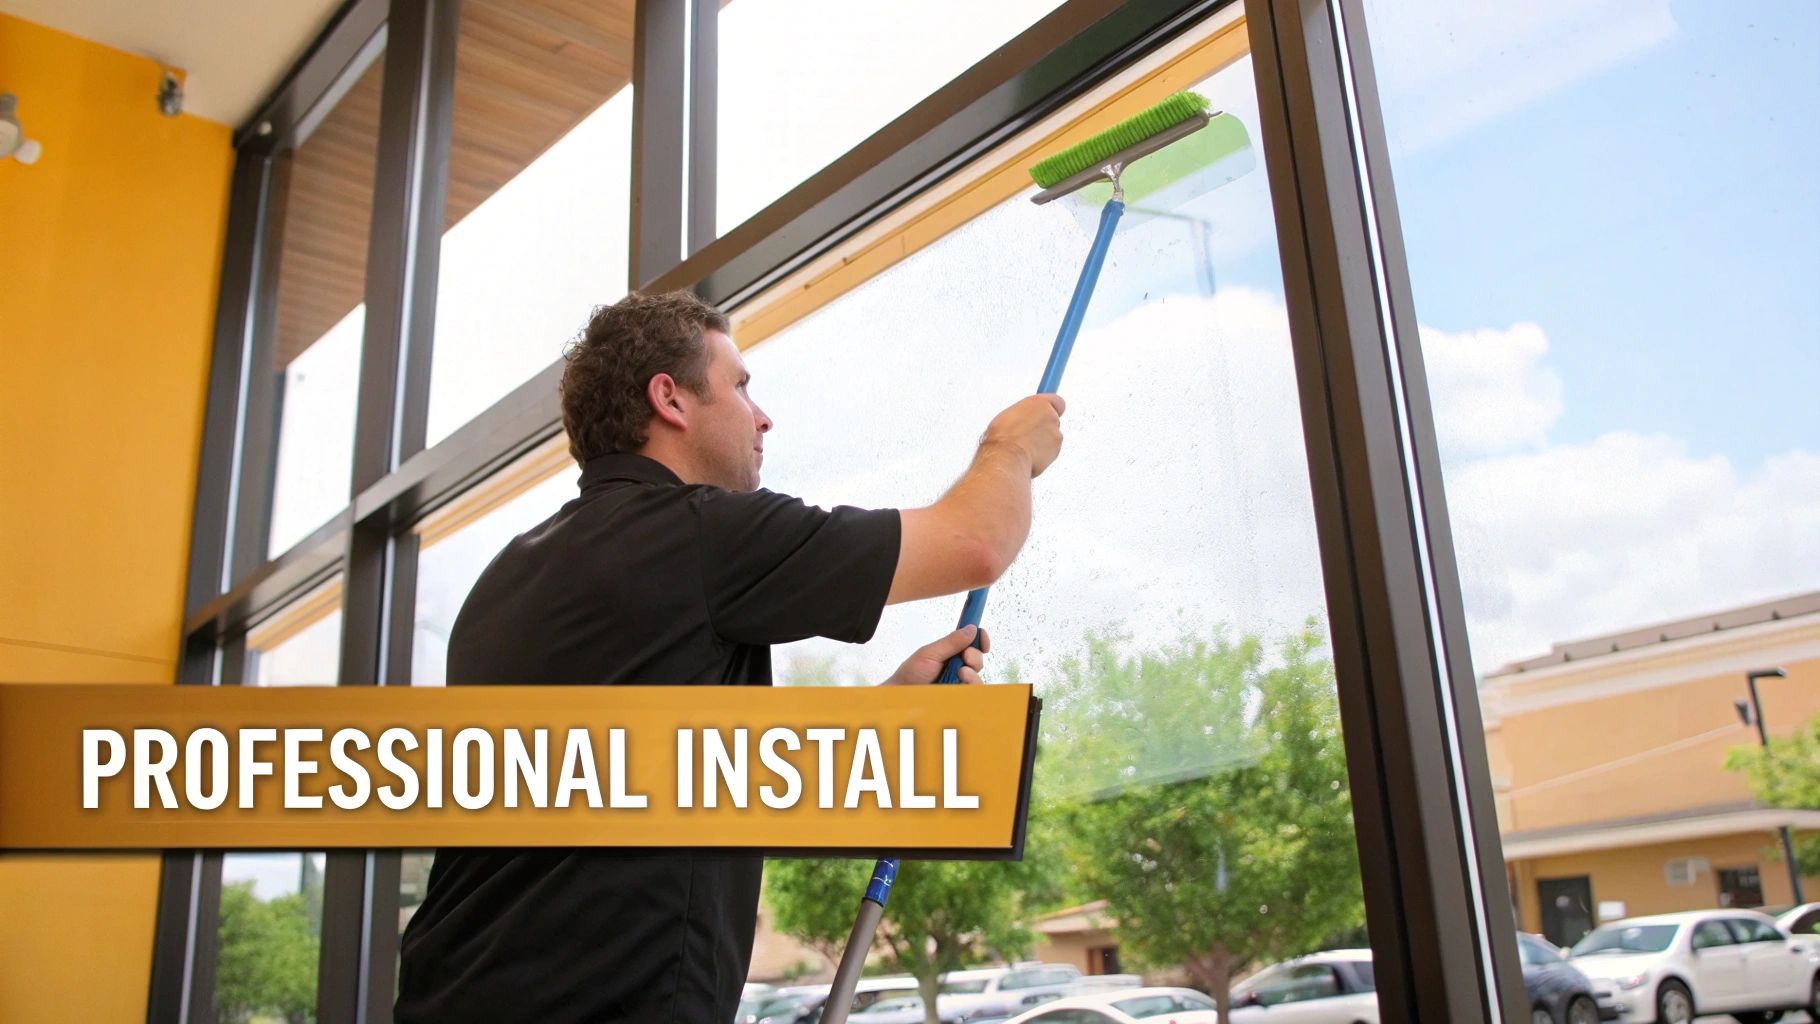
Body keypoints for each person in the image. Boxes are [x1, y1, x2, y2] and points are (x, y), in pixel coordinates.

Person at [394, 290, 1064, 1023]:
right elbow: (975, 542)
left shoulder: (505, 584)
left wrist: (881, 716)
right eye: (741, 386)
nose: (762, 415)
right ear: (670, 400)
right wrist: (1012, 447)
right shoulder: (699, 535)